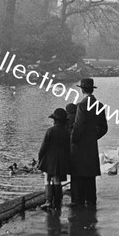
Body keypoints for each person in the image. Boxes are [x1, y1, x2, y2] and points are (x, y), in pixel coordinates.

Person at [70, 78, 108, 207]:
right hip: (91, 145)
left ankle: (77, 201)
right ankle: (91, 200)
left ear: (81, 90)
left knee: (77, 174)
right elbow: (104, 128)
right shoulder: (99, 105)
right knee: (90, 175)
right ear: (92, 89)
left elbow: (78, 126)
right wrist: (93, 137)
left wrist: (73, 140)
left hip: (80, 145)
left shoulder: (81, 105)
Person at [38, 108, 71, 210]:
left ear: (54, 120)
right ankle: (57, 202)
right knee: (57, 180)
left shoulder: (50, 131)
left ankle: (48, 201)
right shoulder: (67, 132)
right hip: (61, 160)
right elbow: (68, 148)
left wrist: (40, 159)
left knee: (47, 178)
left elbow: (43, 147)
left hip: (49, 160)